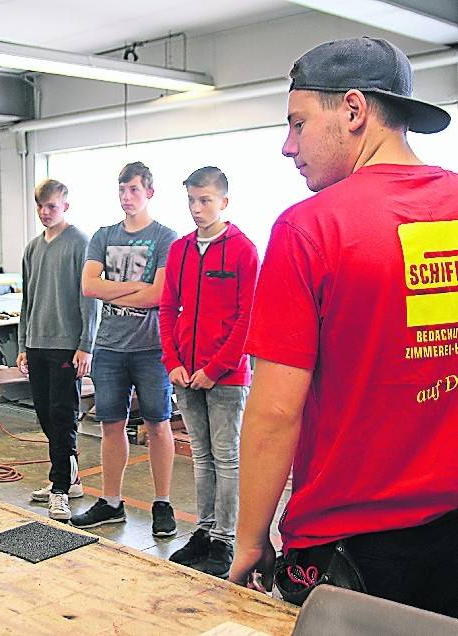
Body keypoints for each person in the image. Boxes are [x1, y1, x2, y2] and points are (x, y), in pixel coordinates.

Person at [229, 37, 458, 617]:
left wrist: (251, 540)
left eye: (298, 123)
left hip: (351, 551)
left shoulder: (310, 229)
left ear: (353, 111)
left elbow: (276, 412)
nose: (288, 146)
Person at [159, 166, 258, 578]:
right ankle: (203, 532)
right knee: (201, 457)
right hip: (186, 375)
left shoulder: (243, 250)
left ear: (224, 202)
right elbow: (167, 309)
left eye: (205, 201)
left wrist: (216, 368)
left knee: (227, 457)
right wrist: (173, 362)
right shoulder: (180, 250)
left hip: (226, 379)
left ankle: (225, 540)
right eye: (192, 201)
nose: (197, 209)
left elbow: (247, 318)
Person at [71, 162, 178, 536]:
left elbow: (160, 295)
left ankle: (162, 503)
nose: (127, 197)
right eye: (122, 190)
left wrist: (111, 287)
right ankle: (111, 503)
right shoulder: (102, 235)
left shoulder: (165, 237)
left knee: (158, 424)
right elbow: (88, 287)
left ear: (149, 192)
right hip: (110, 347)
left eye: (134, 190)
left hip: (151, 348)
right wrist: (136, 290)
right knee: (111, 424)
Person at [16, 179, 99, 520]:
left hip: (67, 346)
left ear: (65, 205)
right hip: (36, 343)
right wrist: (22, 344)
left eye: (51, 206)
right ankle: (69, 477)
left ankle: (61, 488)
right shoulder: (33, 248)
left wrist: (85, 346)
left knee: (63, 417)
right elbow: (27, 299)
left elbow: (89, 298)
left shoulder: (81, 243)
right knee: (46, 416)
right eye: (40, 207)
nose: (45, 212)